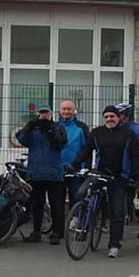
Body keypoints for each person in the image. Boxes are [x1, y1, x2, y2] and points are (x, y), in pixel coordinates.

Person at [67, 105, 139, 259]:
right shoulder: (97, 133)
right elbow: (86, 150)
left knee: (117, 211)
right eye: (106, 117)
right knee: (82, 191)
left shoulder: (128, 134)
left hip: (119, 176)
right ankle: (78, 217)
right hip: (100, 172)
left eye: (112, 116)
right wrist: (74, 164)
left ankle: (114, 245)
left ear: (118, 118)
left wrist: (133, 175)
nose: (109, 119)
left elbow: (136, 155)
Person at [15, 104, 67, 244]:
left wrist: (50, 131)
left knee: (56, 204)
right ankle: (36, 231)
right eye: (42, 113)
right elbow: (20, 138)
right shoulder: (34, 129)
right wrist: (29, 127)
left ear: (51, 114)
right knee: (37, 204)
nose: (44, 115)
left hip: (53, 173)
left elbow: (61, 143)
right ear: (38, 114)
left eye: (46, 113)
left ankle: (57, 232)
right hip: (36, 172)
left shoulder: (57, 127)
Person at [57, 100, 90, 234]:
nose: (66, 112)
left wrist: (84, 166)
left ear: (74, 111)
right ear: (59, 111)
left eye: (69, 109)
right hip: (58, 169)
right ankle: (58, 230)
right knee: (58, 200)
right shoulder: (55, 126)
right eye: (64, 109)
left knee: (76, 197)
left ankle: (76, 223)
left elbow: (85, 149)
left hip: (75, 168)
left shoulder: (81, 127)